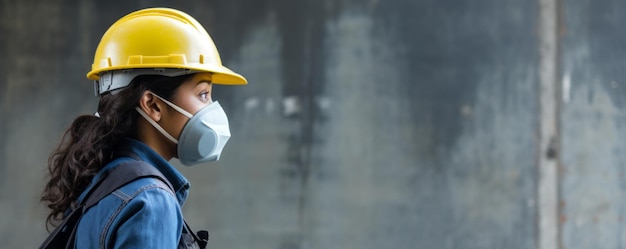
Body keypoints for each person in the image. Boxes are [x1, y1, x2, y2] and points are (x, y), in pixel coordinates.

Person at [41, 7, 247, 248]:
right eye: (203, 94)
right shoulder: (150, 200)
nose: (211, 108)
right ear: (153, 105)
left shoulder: (103, 180)